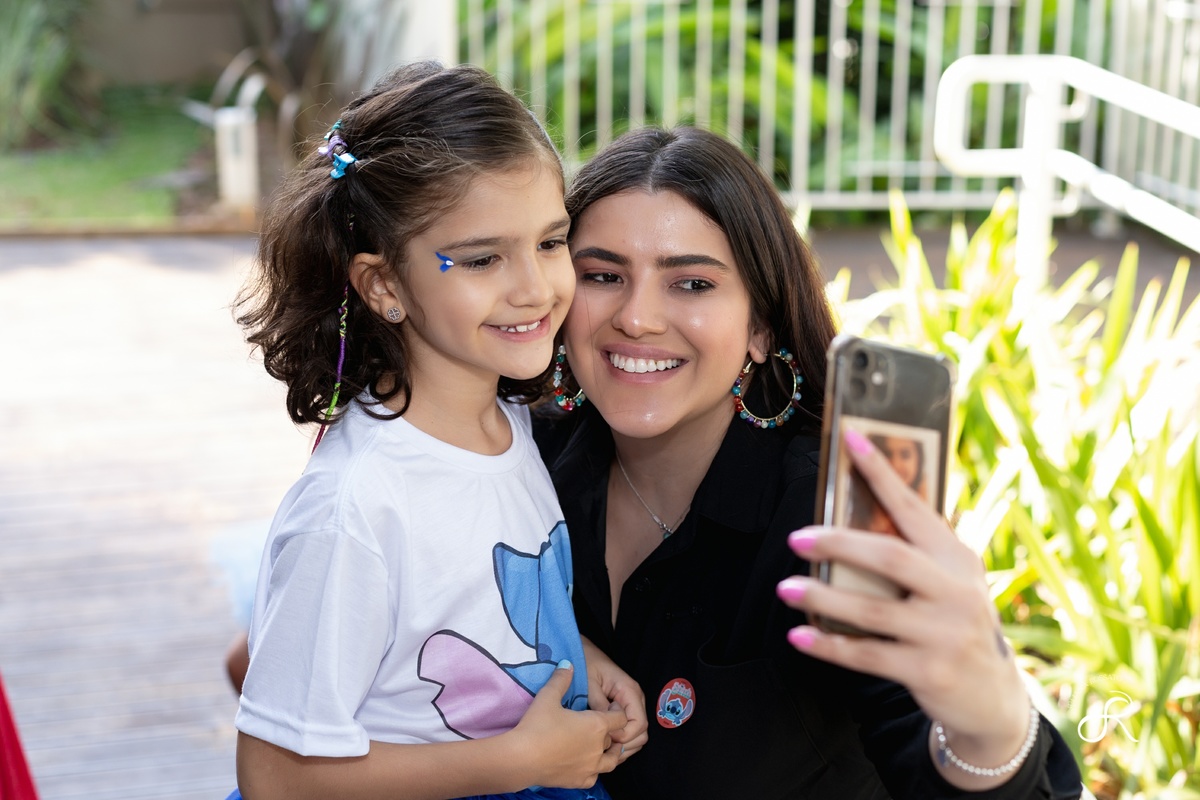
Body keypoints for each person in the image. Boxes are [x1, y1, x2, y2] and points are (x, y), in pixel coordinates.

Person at [534, 126, 1082, 799]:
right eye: (602, 275)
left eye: (693, 283)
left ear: (761, 328)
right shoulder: (520, 459)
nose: (638, 317)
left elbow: (945, 756)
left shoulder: (830, 516)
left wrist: (990, 729)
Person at [229, 62, 647, 800]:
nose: (533, 287)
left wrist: (576, 660)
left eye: (551, 243)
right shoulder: (354, 507)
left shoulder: (510, 424)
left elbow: (457, 609)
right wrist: (518, 763)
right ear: (384, 284)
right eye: (482, 258)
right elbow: (273, 776)